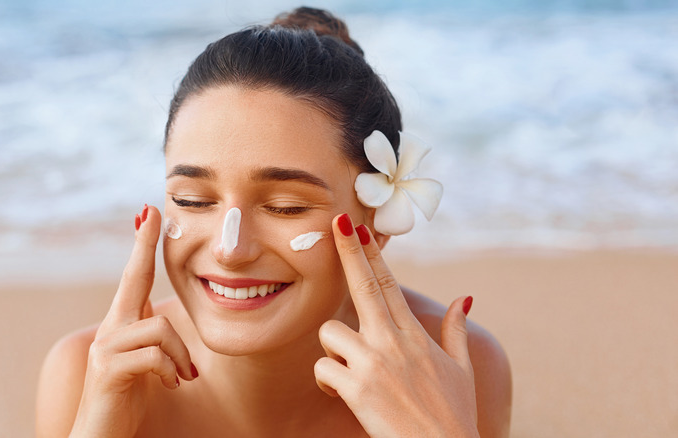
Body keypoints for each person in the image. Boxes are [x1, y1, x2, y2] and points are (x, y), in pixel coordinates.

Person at [36, 7, 512, 437]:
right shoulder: (87, 375)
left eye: (286, 207)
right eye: (193, 200)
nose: (229, 248)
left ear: (377, 219)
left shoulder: (449, 373)